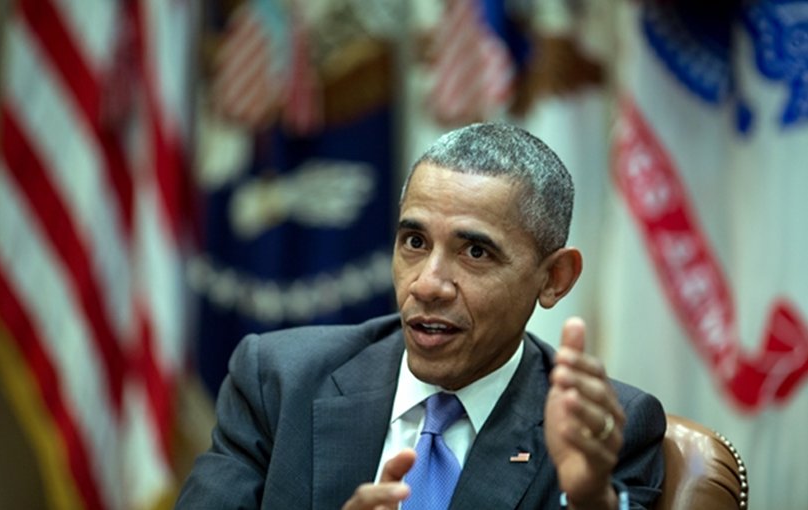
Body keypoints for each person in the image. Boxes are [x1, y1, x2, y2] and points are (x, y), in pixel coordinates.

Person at [175, 123, 665, 509]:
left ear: (554, 278)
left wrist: (591, 503)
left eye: (475, 252)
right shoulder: (279, 380)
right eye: (414, 242)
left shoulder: (604, 433)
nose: (427, 284)